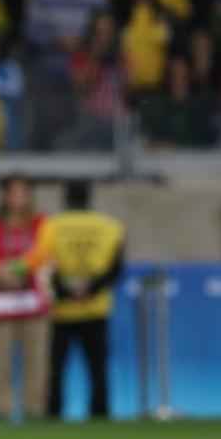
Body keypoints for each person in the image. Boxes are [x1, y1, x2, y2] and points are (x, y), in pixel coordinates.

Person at [0, 174, 53, 423]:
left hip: (34, 302)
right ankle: (1, 411)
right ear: (4, 196)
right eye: (13, 192)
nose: (18, 198)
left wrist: (18, 269)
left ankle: (35, 411)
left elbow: (42, 251)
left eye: (23, 192)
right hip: (0, 304)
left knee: (37, 361)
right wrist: (1, 275)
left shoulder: (42, 223)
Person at [47, 180, 124, 420]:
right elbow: (116, 268)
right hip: (97, 308)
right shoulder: (111, 227)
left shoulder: (51, 226)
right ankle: (100, 415)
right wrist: (90, 289)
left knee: (57, 369)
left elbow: (44, 264)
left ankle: (53, 415)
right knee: (97, 368)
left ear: (66, 198)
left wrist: (67, 292)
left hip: (61, 309)